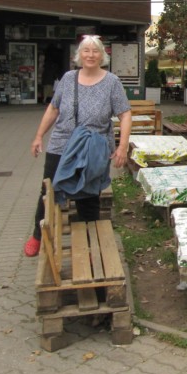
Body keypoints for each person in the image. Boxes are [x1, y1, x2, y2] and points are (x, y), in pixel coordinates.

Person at [23, 35, 132, 257]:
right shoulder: (68, 78)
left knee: (88, 194)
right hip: (62, 143)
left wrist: (122, 147)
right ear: (79, 55)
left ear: (102, 55)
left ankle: (90, 243)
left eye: (95, 51)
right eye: (86, 51)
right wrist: (38, 136)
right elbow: (53, 109)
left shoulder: (112, 82)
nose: (90, 55)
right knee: (49, 190)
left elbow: (125, 114)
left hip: (94, 146)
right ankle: (37, 234)